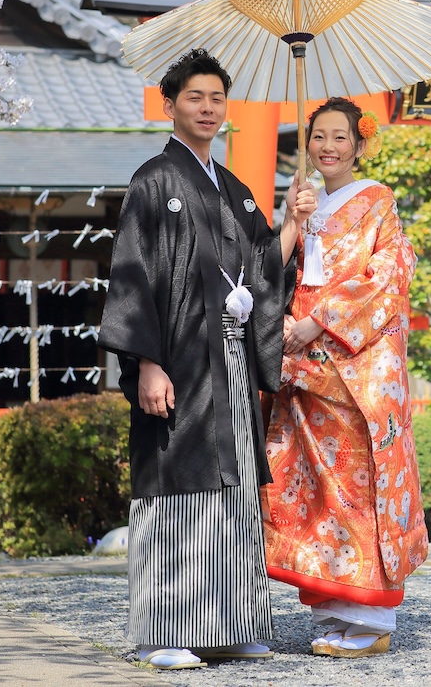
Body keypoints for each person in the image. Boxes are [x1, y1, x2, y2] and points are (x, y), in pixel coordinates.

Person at [98, 49, 316, 671]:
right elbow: (134, 274)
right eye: (195, 97)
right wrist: (146, 362)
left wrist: (292, 223)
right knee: (175, 488)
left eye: (217, 98)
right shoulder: (154, 181)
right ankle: (165, 632)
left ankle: (236, 623)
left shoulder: (236, 190)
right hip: (179, 358)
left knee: (236, 488)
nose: (209, 108)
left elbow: (263, 266)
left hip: (232, 362)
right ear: (170, 105)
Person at [262, 97, 428, 659]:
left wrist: (317, 322)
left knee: (358, 480)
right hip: (304, 359)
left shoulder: (378, 201)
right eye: (318, 137)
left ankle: (374, 616)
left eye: (340, 137)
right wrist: (292, 221)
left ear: (360, 145)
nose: (328, 147)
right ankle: (339, 610)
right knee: (317, 485)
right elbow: (274, 271)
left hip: (353, 361)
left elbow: (389, 276)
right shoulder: (304, 200)